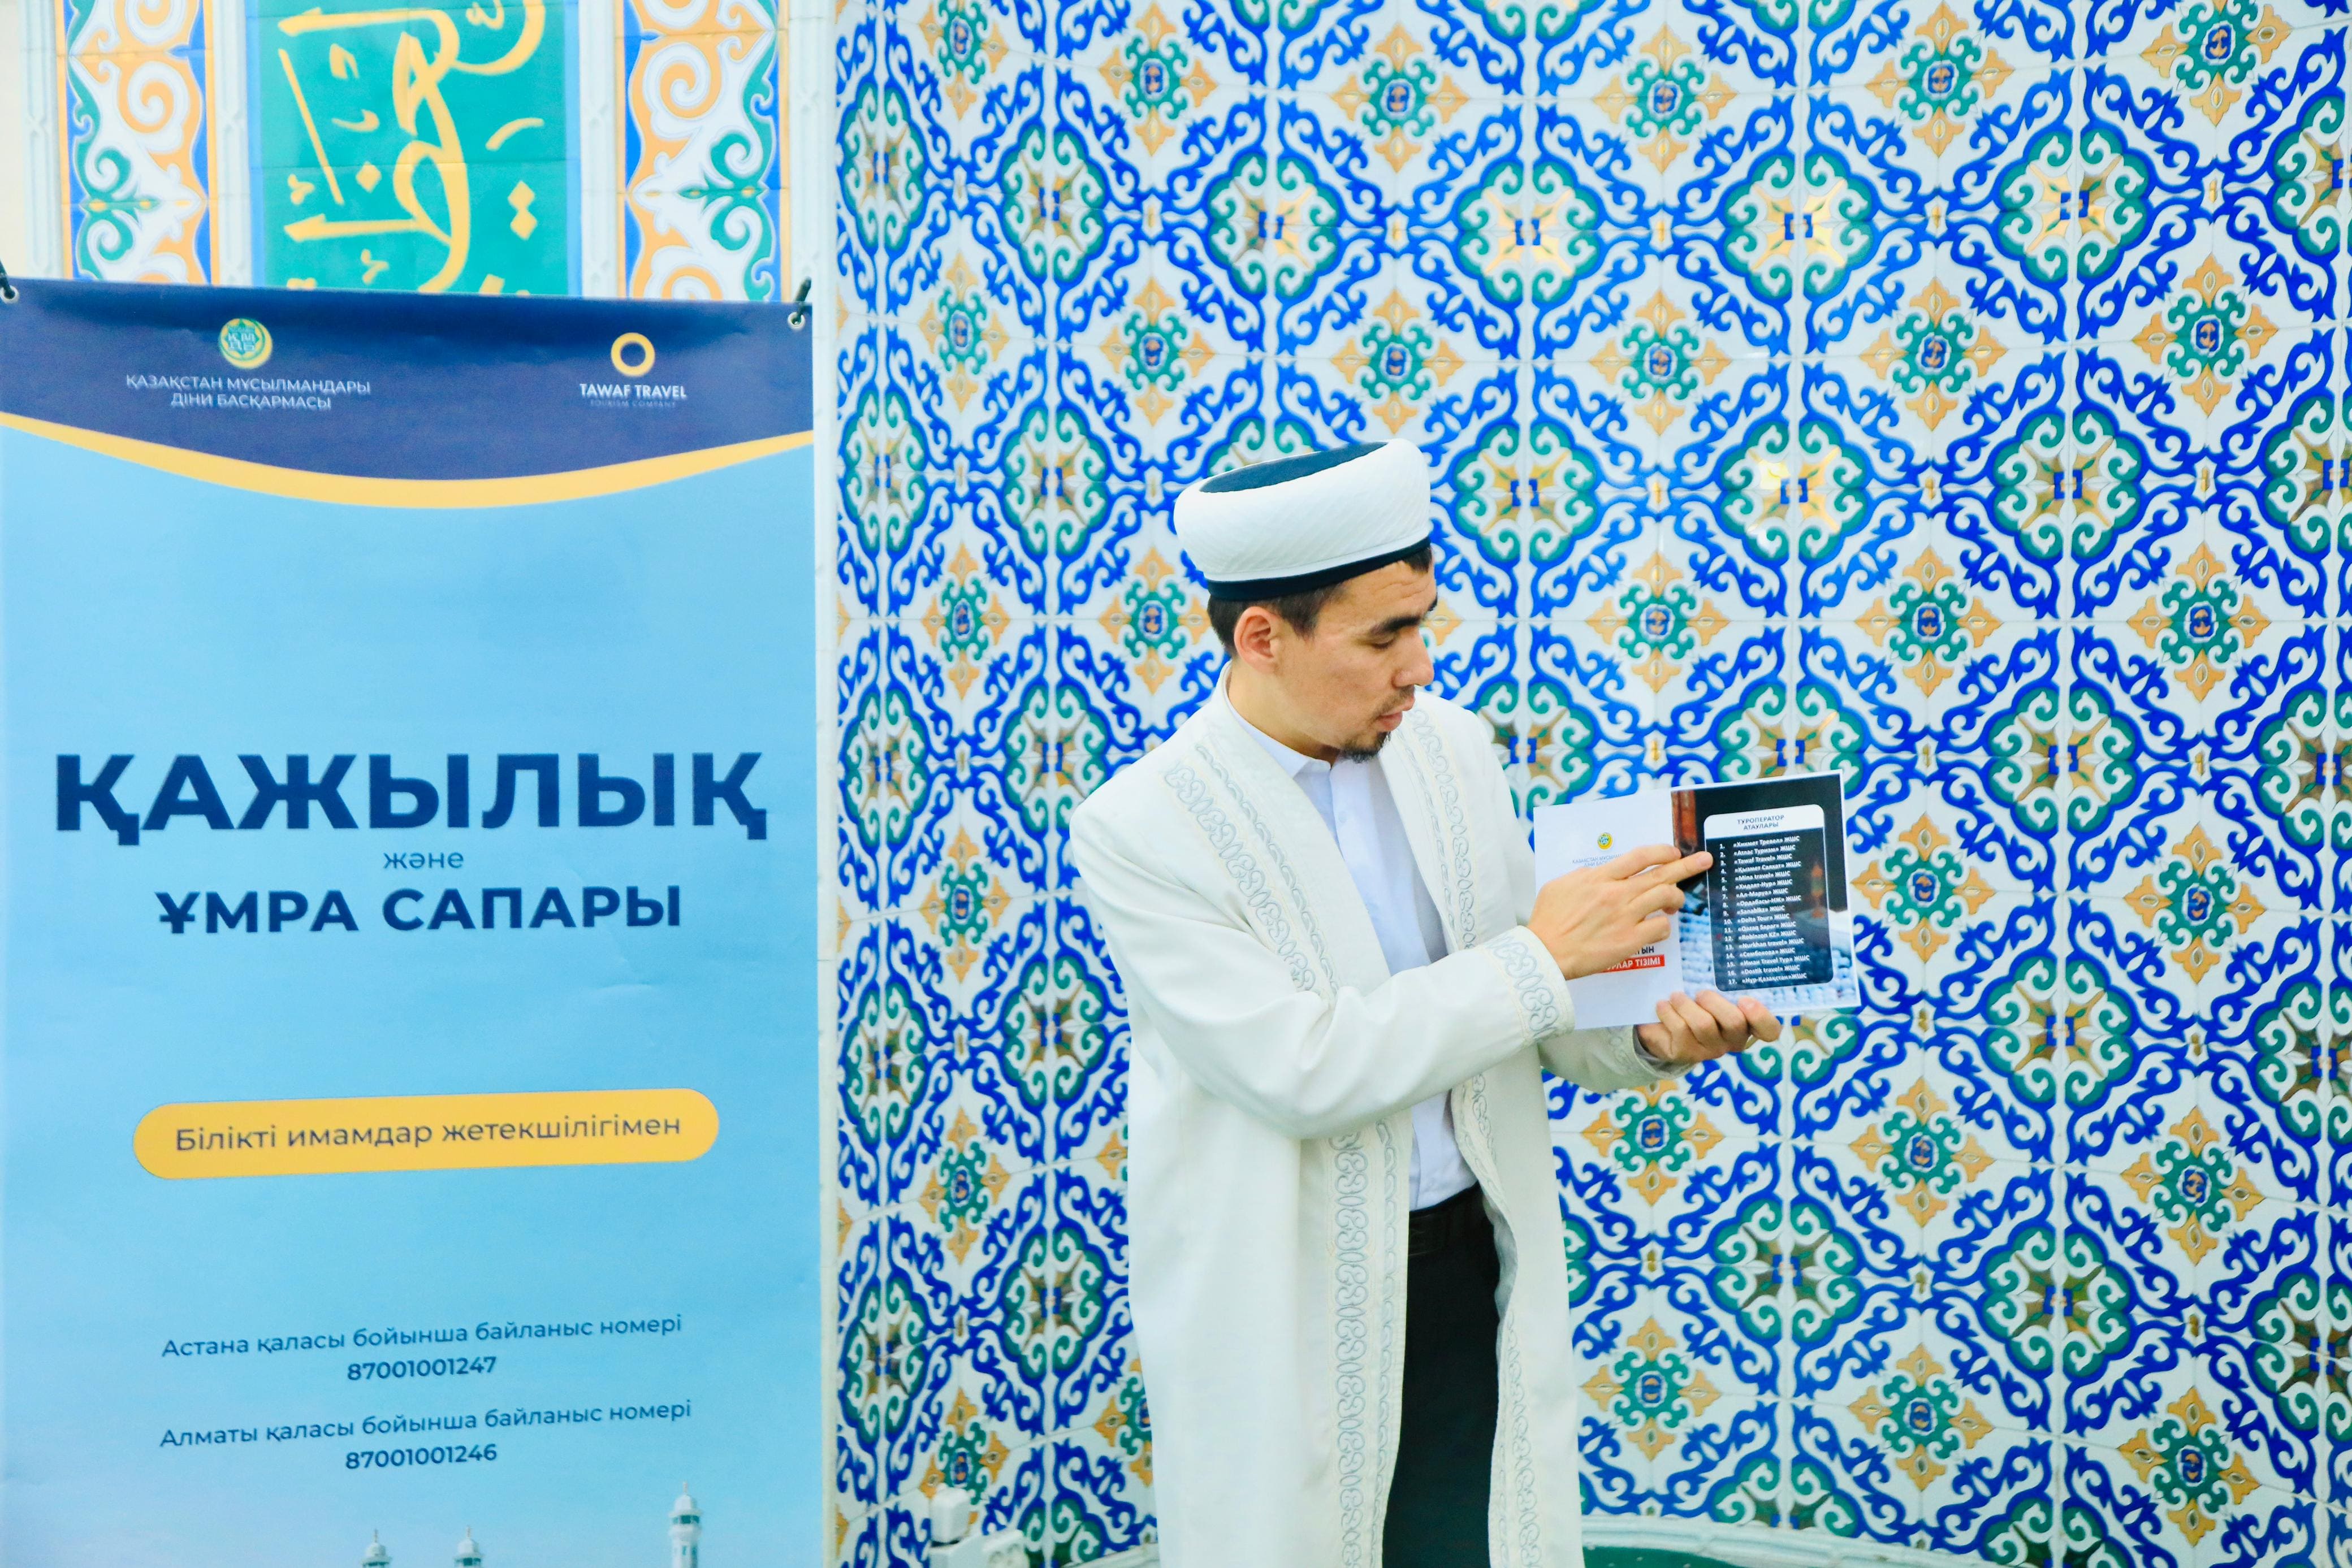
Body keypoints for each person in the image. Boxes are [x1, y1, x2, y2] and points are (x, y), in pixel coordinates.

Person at [1067, 440, 1781, 1568]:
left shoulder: (1452, 749)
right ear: (1262, 638)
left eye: (1424, 624)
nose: (1420, 666)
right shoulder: (1142, 827)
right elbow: (1302, 1071)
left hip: (1469, 1270)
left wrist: (1651, 1038)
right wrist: (1544, 956)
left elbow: (1532, 1021)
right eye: (1383, 637)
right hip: (1280, 1299)